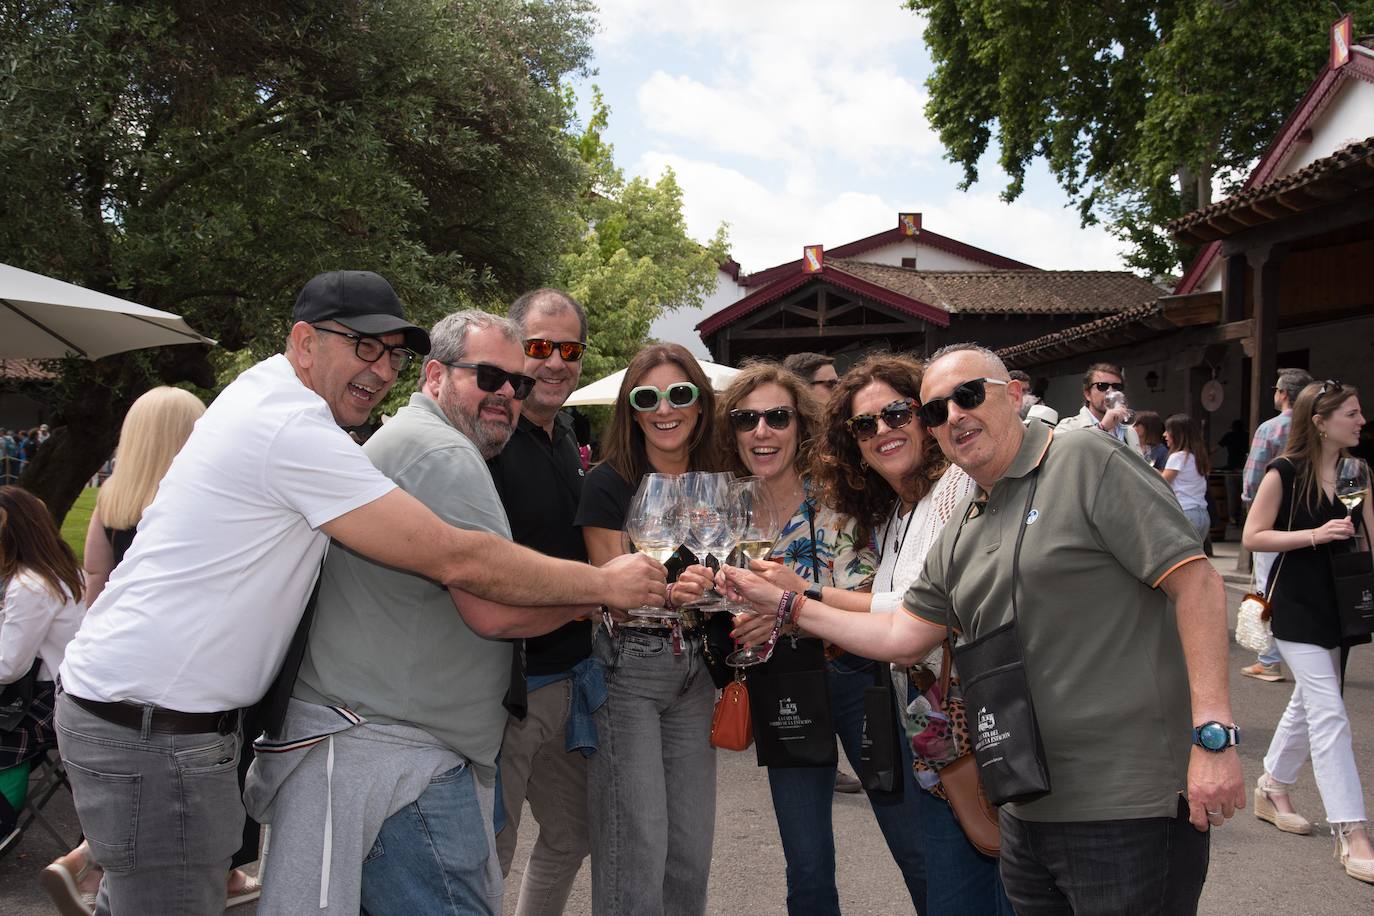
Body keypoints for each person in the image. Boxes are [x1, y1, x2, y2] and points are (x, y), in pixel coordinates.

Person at [55, 271, 665, 915]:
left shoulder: (282, 404)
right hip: (157, 723)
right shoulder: (298, 429)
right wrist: (603, 585)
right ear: (304, 342)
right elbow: (459, 560)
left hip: (158, 714)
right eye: (361, 345)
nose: (378, 368)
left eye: (391, 352)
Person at [724, 342, 1243, 915]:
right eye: (934, 410)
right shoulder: (968, 517)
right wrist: (787, 604)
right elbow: (902, 633)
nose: (953, 417)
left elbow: (1195, 583)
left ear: (1014, 395)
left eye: (967, 396)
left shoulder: (1083, 459)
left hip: (1123, 802)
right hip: (1022, 798)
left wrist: (1213, 736)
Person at [247, 310, 598, 914]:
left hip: (380, 744)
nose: (507, 395)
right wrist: (601, 594)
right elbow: (493, 610)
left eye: (516, 382)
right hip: (398, 759)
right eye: (488, 376)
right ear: (435, 374)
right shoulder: (441, 453)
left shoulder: (422, 440)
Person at [715, 358, 932, 915]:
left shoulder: (845, 499)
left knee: (912, 842)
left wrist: (790, 608)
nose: (761, 431)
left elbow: (875, 602)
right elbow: (716, 611)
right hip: (781, 685)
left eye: (778, 417)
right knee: (806, 862)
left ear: (801, 425)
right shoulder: (723, 514)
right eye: (746, 419)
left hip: (858, 679)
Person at [40, 386, 262, 915]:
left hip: (103, 676)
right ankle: (211, 871)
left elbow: (96, 581)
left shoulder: (113, 499)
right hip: (180, 684)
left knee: (131, 812)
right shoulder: (194, 500)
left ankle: (94, 860)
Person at [574, 342, 717, 916]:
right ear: (631, 411)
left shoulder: (717, 480)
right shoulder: (609, 482)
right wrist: (666, 590)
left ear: (700, 406)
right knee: (637, 845)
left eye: (679, 394)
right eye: (647, 397)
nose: (665, 408)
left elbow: (735, 566)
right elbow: (612, 590)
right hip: (629, 667)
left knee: (689, 851)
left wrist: (718, 588)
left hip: (697, 669)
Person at [488, 289, 597, 916]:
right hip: (508, 686)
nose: (555, 362)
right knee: (489, 851)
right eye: (538, 347)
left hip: (570, 679)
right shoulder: (491, 436)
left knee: (572, 833)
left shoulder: (564, 436)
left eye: (569, 349)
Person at [1241, 380, 1374, 884]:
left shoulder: (1356, 471)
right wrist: (1315, 534)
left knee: (1314, 701)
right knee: (1328, 710)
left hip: (1341, 603)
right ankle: (1351, 830)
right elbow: (1253, 536)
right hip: (1296, 605)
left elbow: (1369, 536)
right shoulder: (1285, 472)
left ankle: (1273, 784)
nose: (1362, 421)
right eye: (1352, 413)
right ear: (1320, 422)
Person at [0, 487, 86, 847]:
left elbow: (8, 666)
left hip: (49, 699)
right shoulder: (64, 571)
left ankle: (3, 823)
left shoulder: (30, 585)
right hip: (64, 691)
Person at [1240, 368, 1314, 682]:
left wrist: (1249, 505)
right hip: (1310, 517)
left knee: (1268, 587)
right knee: (1303, 585)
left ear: (1283, 393)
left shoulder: (1271, 429)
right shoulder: (1315, 426)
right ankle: (1307, 654)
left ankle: (1269, 659)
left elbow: (1255, 474)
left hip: (1273, 517)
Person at [1056, 361, 1142, 451]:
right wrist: (1102, 428)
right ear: (1088, 394)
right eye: (1102, 386)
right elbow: (1063, 456)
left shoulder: (1129, 431)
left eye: (1117, 386)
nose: (1110, 391)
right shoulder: (1069, 427)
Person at [1162, 413, 1212, 542]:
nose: (1164, 435)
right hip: (1202, 514)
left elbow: (1161, 483)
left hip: (1184, 513)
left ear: (1178, 434)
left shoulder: (1177, 457)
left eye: (1168, 431)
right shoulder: (1196, 457)